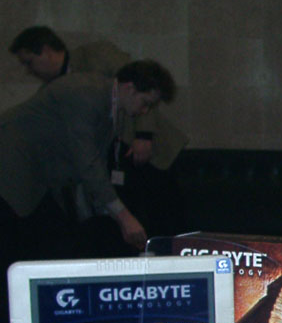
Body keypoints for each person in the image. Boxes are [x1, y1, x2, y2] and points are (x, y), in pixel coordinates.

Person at [9, 26, 188, 236]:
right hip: (105, 160)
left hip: (141, 151)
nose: (29, 71)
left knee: (163, 213)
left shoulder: (96, 56)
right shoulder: (56, 89)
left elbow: (144, 84)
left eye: (29, 62)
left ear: (46, 51)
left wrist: (144, 134)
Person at [0, 59, 176, 257]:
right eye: (146, 103)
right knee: (17, 242)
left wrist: (115, 214)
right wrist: (124, 217)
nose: (145, 111)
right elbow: (88, 164)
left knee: (45, 239)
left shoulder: (110, 105)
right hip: (11, 164)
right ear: (130, 88)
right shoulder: (86, 95)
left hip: (33, 170)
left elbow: (91, 165)